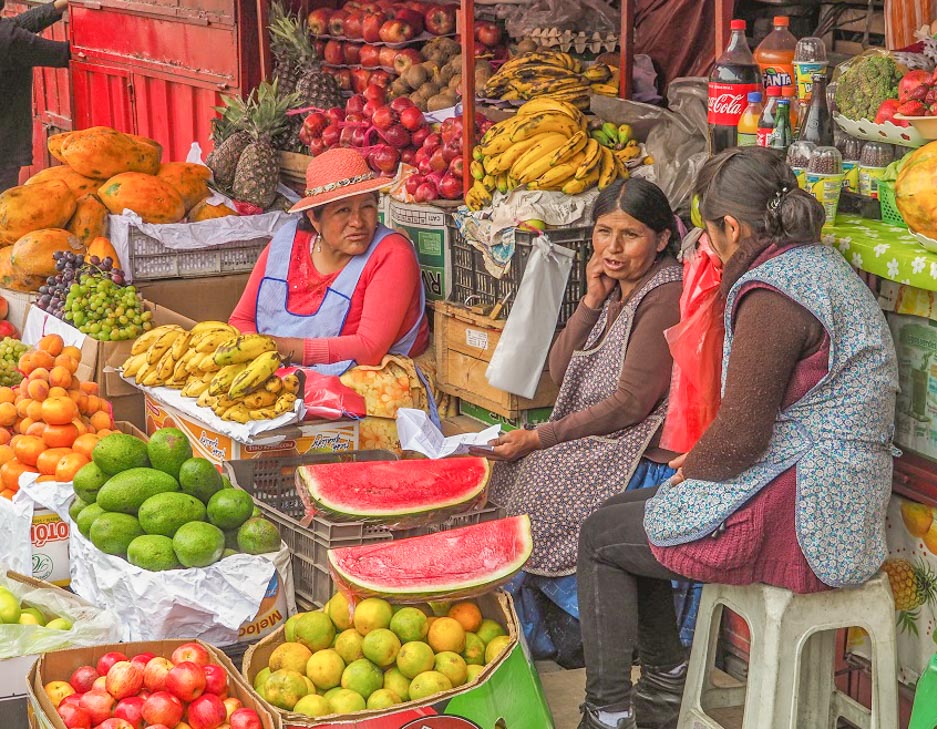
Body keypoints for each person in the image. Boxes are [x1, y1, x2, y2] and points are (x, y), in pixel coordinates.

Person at [573, 147, 898, 729]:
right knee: (622, 516)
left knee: (601, 535)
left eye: (709, 236)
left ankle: (609, 713)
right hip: (829, 494)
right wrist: (693, 467)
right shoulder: (814, 265)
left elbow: (743, 436)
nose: (708, 251)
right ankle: (664, 682)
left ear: (732, 227)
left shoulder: (776, 293)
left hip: (810, 513)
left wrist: (692, 465)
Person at [476, 178, 699, 667]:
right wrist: (590, 300)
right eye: (603, 233)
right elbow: (559, 370)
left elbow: (630, 403)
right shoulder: (618, 287)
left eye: (630, 235)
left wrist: (540, 436)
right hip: (605, 432)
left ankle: (572, 627)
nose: (613, 249)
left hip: (640, 445)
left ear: (662, 240)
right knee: (513, 473)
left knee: (541, 479)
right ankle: (529, 621)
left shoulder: (663, 294)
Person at [230, 147, 429, 375]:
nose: (357, 222)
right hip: (277, 368)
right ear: (315, 218)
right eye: (343, 210)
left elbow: (368, 348)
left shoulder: (392, 254)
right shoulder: (287, 243)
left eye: (367, 207)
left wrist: (279, 348)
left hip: (360, 382)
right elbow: (241, 319)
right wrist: (257, 353)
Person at [0, 0, 70, 192]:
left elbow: (17, 24)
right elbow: (65, 54)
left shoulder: (7, 35)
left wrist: (58, 5)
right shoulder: (7, 39)